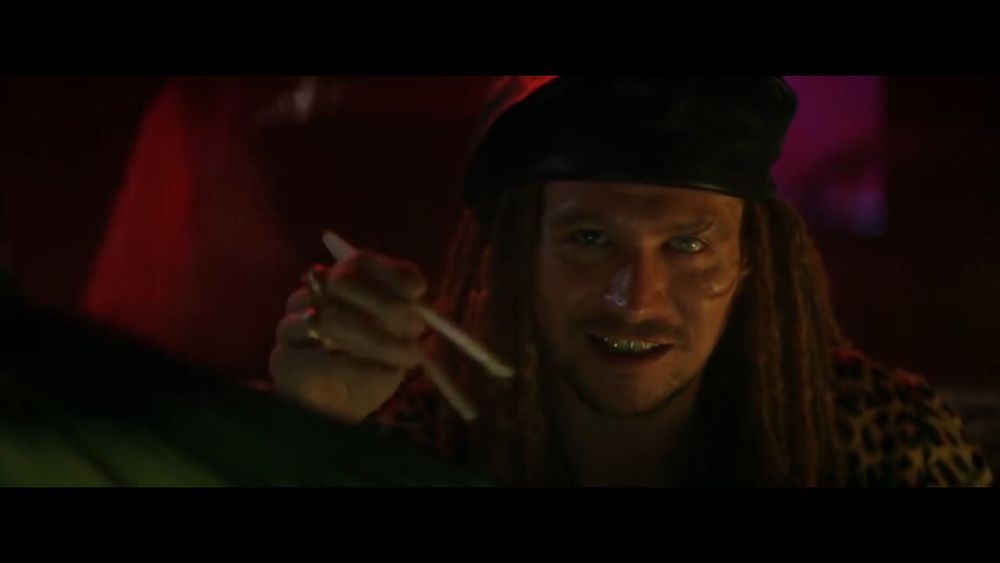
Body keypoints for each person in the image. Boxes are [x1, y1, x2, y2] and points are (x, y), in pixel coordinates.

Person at [268, 76, 994, 487]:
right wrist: (306, 427)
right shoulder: (405, 443)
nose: (636, 298)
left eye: (687, 244)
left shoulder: (888, 447)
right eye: (589, 239)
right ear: (511, 260)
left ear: (748, 264)